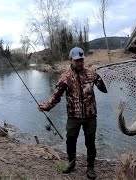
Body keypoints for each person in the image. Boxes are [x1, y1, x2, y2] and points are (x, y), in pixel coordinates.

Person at [38, 47, 107, 179]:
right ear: (70, 60)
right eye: (77, 61)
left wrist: (106, 79)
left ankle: (90, 167)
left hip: (90, 115)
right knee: (70, 141)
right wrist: (47, 106)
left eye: (81, 60)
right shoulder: (65, 77)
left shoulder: (92, 74)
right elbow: (56, 95)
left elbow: (104, 89)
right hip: (73, 116)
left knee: (90, 142)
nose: (80, 63)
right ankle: (71, 163)